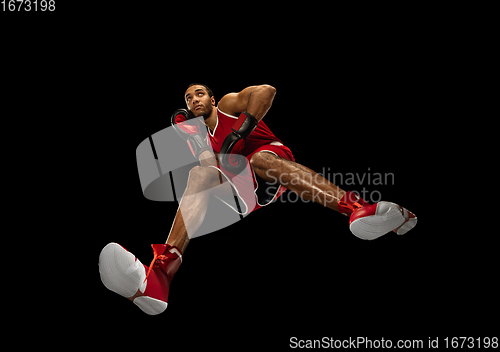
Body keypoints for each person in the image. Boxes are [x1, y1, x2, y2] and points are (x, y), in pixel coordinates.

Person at [99, 83, 417, 315]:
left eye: (198, 93)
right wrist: (195, 142)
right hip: (245, 189)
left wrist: (240, 132)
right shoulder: (202, 140)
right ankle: (159, 275)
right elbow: (211, 174)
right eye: (187, 97)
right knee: (199, 176)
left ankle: (359, 208)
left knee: (259, 160)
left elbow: (266, 91)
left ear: (210, 97)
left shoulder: (227, 104)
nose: (193, 99)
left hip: (270, 162)